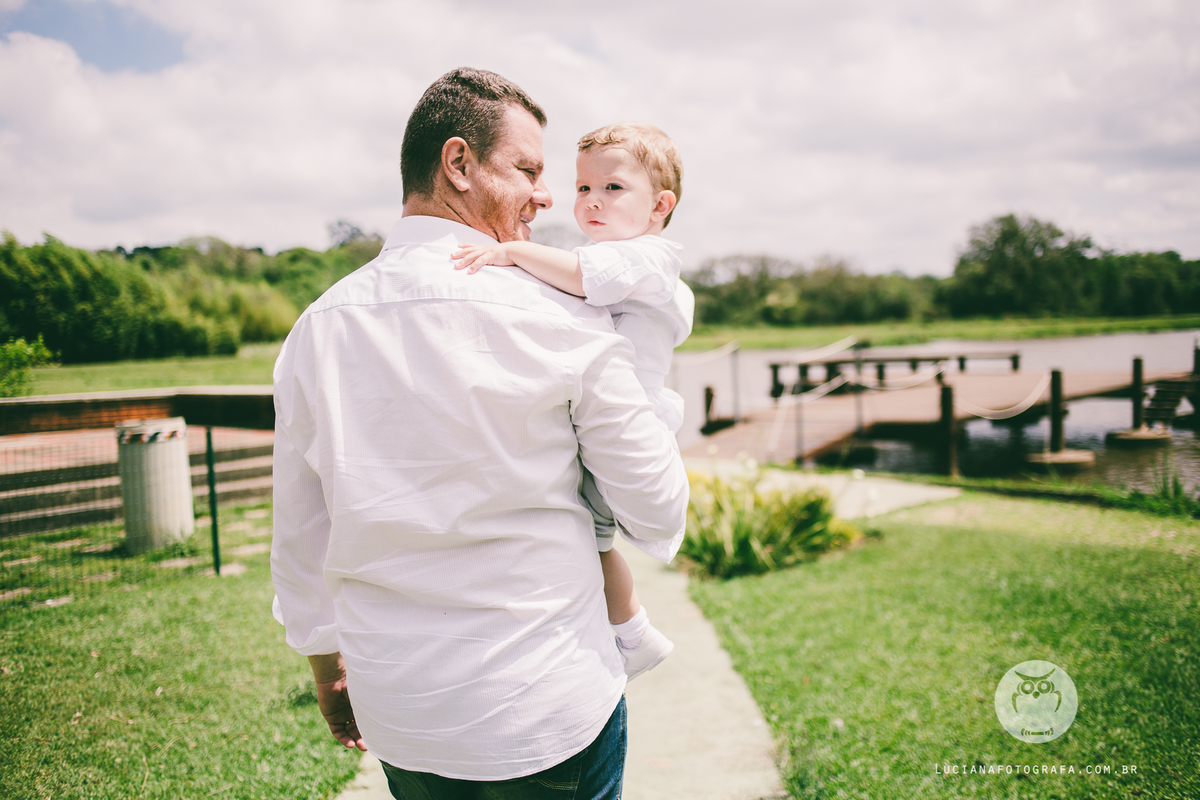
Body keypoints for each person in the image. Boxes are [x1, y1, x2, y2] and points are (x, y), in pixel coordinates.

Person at [270, 67, 689, 799]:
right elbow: (657, 511)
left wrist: (323, 661)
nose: (551, 195)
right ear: (458, 164)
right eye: (528, 169)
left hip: (404, 715)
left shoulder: (318, 327)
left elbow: (300, 529)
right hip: (547, 707)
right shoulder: (566, 317)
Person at [452, 122, 693, 680]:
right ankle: (629, 631)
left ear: (659, 205)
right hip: (609, 409)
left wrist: (510, 251)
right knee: (588, 535)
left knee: (594, 539)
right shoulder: (624, 257)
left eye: (612, 189)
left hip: (626, 418)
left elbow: (583, 279)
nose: (591, 202)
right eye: (584, 188)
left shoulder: (645, 257)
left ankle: (634, 634)